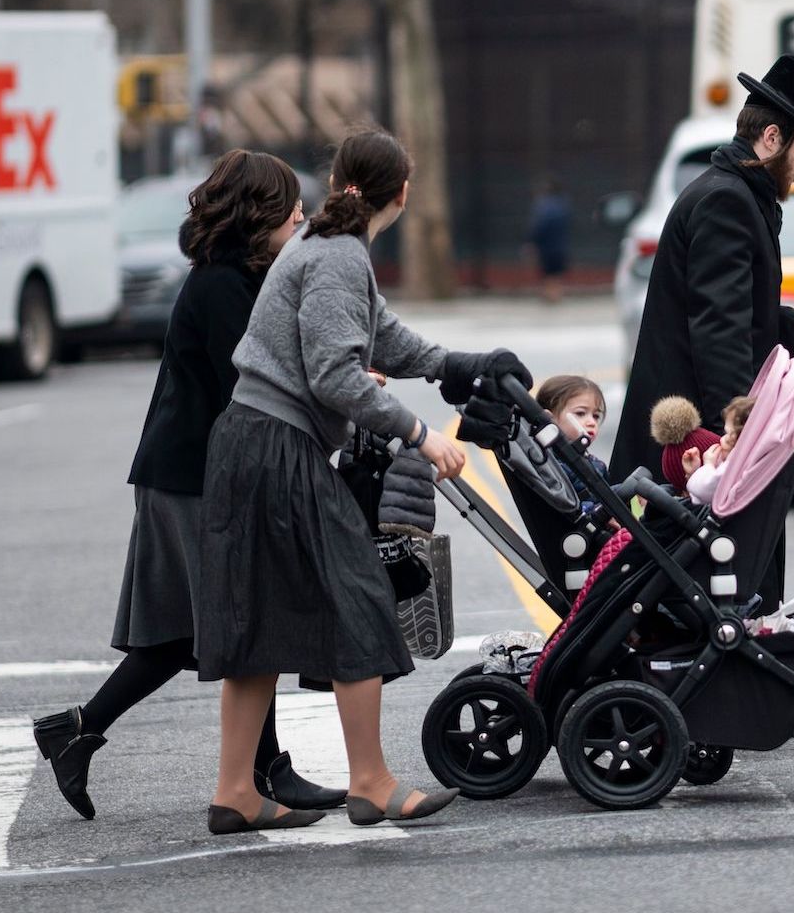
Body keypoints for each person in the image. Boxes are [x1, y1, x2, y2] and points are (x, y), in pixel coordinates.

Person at [190, 128, 532, 834]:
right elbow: (336, 374)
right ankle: (370, 782)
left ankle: (236, 791)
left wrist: (455, 365)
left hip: (253, 443)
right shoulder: (339, 255)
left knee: (258, 617)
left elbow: (380, 336)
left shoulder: (326, 246)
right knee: (358, 598)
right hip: (274, 447)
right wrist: (420, 433)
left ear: (341, 179)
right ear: (401, 194)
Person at [30, 151, 342, 822]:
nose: (300, 213)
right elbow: (253, 388)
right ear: (256, 212)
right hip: (197, 478)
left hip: (188, 473)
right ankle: (267, 773)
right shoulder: (221, 286)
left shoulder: (239, 278)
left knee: (188, 631)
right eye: (288, 203)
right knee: (239, 621)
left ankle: (76, 732)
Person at [610, 55, 794, 613]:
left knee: (720, 578)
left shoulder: (739, 193)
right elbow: (718, 328)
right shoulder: (726, 201)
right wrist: (736, 429)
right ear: (771, 138)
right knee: (722, 580)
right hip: (698, 434)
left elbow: (746, 311)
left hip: (703, 420)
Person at [651, 394, 755, 504]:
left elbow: (705, 490)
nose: (722, 439)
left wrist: (708, 465)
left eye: (728, 435)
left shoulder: (737, 464)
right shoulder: (745, 463)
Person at [535, 374, 611, 518]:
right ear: (550, 419)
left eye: (595, 416)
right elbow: (567, 508)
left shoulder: (593, 463)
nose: (591, 422)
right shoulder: (555, 466)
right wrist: (601, 513)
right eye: (581, 413)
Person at [526, 176, 571, 304]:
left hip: (547, 245)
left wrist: (532, 241)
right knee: (556, 273)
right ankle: (555, 295)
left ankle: (551, 295)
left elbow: (539, 227)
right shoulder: (564, 205)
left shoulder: (544, 206)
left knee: (548, 272)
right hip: (560, 244)